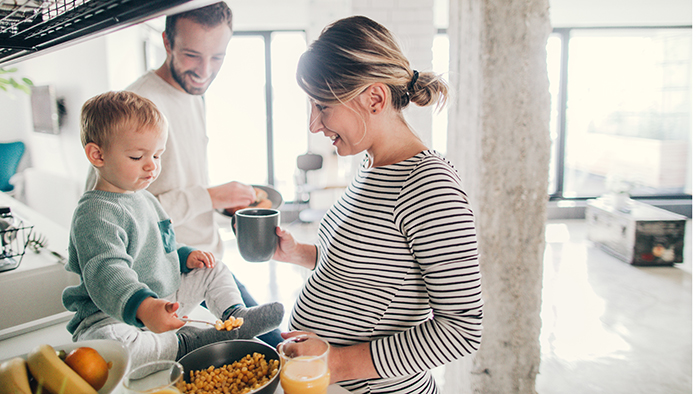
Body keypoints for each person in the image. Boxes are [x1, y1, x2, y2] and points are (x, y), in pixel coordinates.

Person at [272, 16, 483, 394]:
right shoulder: (371, 165)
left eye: (322, 106)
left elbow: (462, 328)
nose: (313, 124)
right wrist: (299, 253)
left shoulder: (430, 185)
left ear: (374, 98)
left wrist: (334, 363)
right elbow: (368, 270)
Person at [85, 1, 283, 346]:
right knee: (264, 351)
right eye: (193, 55)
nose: (205, 70)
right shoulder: (139, 104)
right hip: (164, 281)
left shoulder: (191, 94)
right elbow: (111, 205)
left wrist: (222, 207)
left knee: (274, 346)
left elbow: (174, 184)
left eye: (217, 57)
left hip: (202, 261)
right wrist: (210, 196)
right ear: (166, 43)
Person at [64, 91, 283, 368]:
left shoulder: (143, 198)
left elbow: (161, 245)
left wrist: (185, 256)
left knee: (213, 268)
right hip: (111, 314)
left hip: (162, 298)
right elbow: (107, 273)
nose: (151, 166)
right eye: (136, 157)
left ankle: (234, 316)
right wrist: (144, 308)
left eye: (157, 155)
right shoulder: (94, 214)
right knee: (113, 347)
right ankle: (185, 343)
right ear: (97, 155)